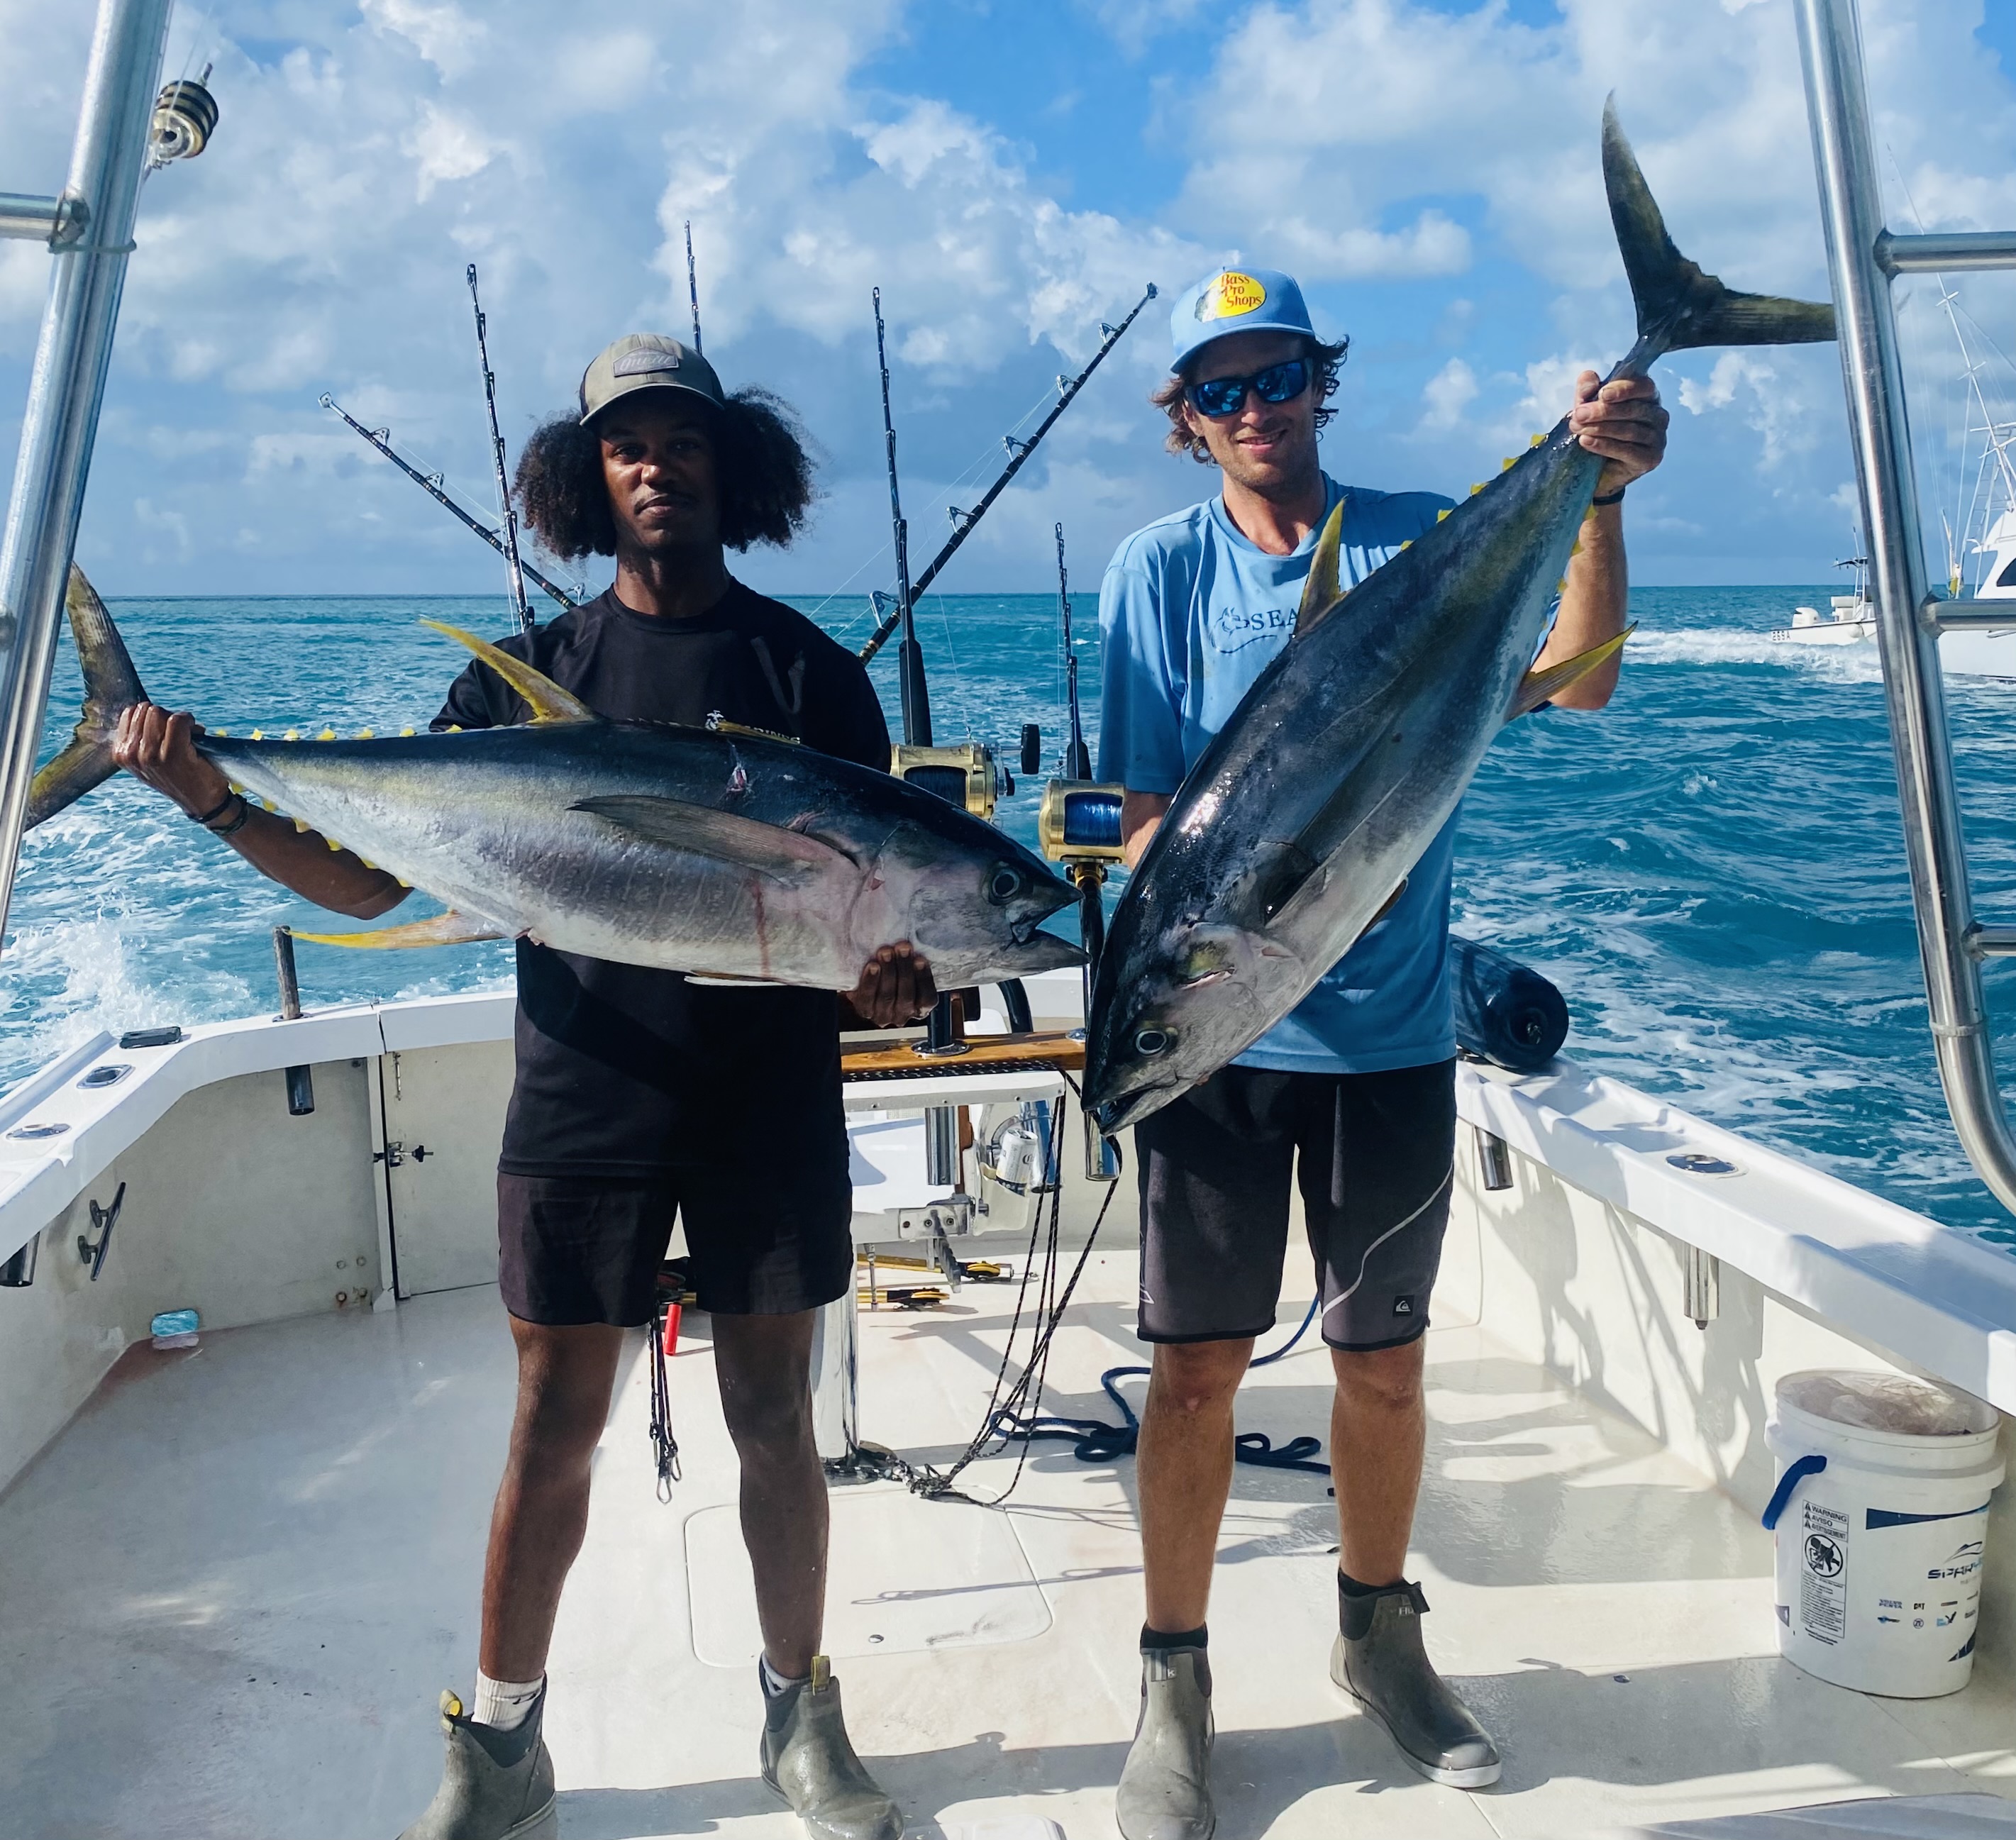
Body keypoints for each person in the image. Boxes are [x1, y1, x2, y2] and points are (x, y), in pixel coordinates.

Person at [111, 333, 929, 1840]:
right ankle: (499, 1747)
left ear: (725, 462)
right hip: (586, 1101)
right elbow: (365, 887)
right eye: (625, 443)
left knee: (772, 1420)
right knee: (552, 1422)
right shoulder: (535, 678)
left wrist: (896, 987)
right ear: (586, 476)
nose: (653, 463)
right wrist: (212, 794)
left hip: (766, 1101)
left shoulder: (811, 676)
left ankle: (798, 1714)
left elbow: (878, 932)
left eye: (679, 438)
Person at [1097, 267, 1668, 1836]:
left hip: (1396, 1035)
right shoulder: (1153, 573)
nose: (1254, 406)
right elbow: (1149, 822)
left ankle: (1375, 1637)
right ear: (1185, 420)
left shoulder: (1429, 527)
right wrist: (1196, 986)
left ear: (1314, 383)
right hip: (1220, 1052)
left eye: (1276, 374)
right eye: (1219, 388)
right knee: (1193, 1374)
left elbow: (1588, 671)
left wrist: (1599, 489)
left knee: (1385, 1371)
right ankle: (1173, 1678)